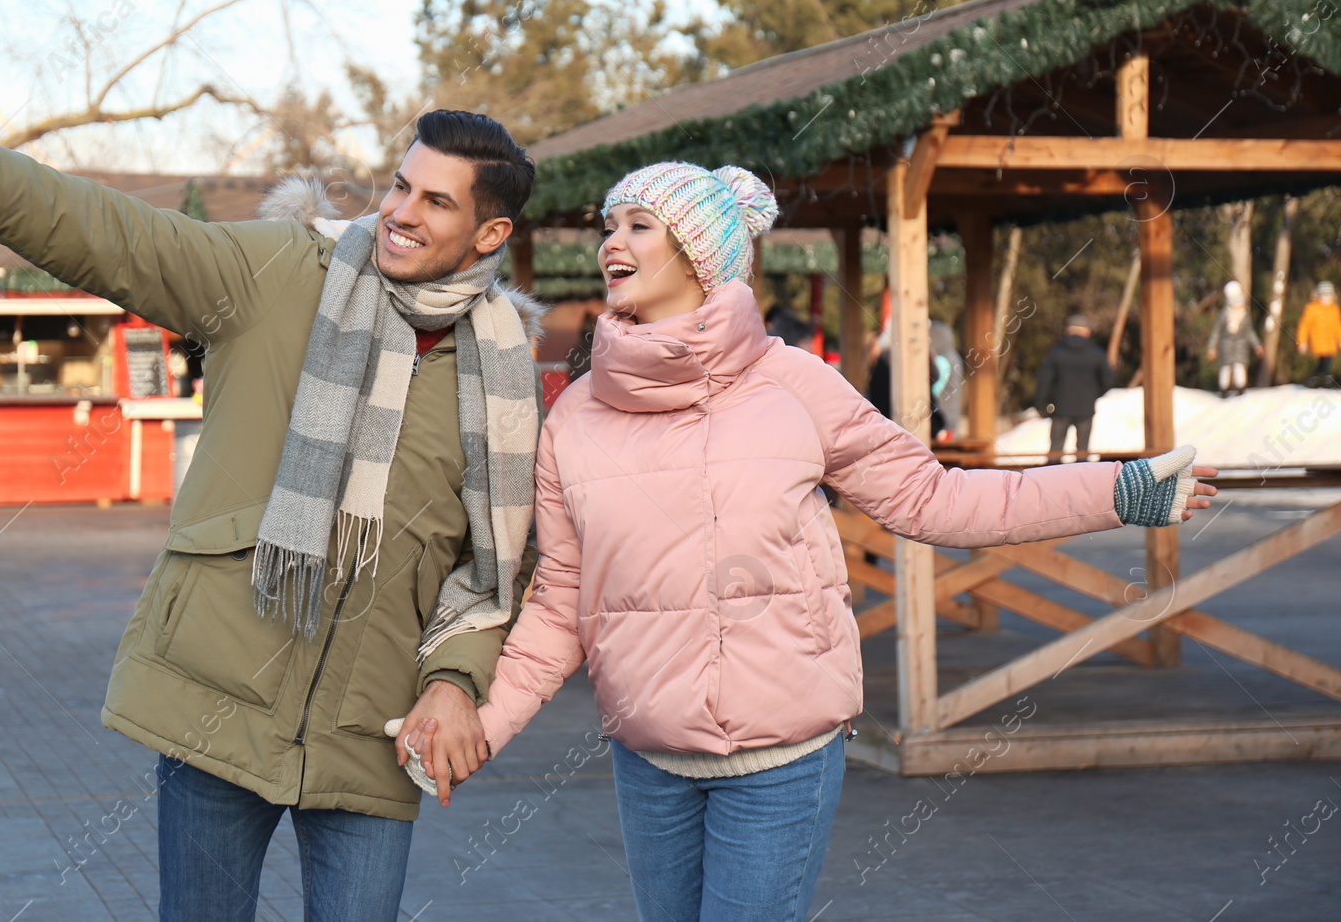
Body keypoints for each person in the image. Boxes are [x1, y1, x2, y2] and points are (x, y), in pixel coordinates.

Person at [403, 161, 1217, 922]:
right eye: (609, 224)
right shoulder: (577, 416)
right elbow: (559, 607)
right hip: (649, 762)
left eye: (640, 224)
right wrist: (480, 729)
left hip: (781, 757)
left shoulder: (794, 383)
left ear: (698, 251)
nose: (612, 241)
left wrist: (1116, 489)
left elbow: (936, 498)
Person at [0, 107, 542, 922]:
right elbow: (127, 240)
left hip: (372, 728)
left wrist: (457, 679)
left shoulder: (499, 375)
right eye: (400, 185)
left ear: (490, 232)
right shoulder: (288, 269)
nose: (398, 212)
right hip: (218, 691)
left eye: (435, 202)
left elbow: (490, 564)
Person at [1035, 313, 1115, 461]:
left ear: (1068, 331)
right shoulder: (1097, 354)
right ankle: (1081, 481)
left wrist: (1041, 404)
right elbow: (1108, 381)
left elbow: (1044, 381)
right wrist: (1093, 395)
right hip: (1086, 408)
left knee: (1055, 451)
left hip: (1060, 408)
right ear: (1087, 332)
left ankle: (1049, 480)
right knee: (1083, 451)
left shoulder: (1056, 353)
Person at [1206, 280, 1263, 397]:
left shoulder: (1245, 316)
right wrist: (1211, 347)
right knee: (1225, 369)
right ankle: (1223, 390)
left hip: (1241, 347)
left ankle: (1241, 390)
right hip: (1226, 347)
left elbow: (1250, 332)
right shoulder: (1224, 315)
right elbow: (1216, 332)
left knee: (1240, 368)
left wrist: (1257, 345)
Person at [1297, 280, 1341, 388]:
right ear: (1318, 296)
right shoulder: (1312, 308)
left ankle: (1312, 379)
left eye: (1328, 296)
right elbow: (1304, 326)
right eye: (1323, 296)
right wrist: (1302, 342)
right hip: (1318, 341)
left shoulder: (1334, 309)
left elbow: (1338, 326)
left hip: (1330, 342)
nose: (1326, 299)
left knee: (1323, 362)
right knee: (1325, 362)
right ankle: (1328, 381)